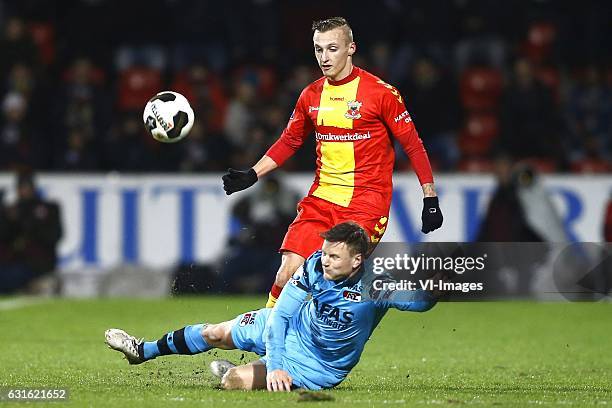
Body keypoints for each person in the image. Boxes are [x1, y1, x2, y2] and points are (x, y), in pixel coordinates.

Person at [221, 17, 443, 308]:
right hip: (322, 198)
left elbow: (413, 145)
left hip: (366, 203)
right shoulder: (310, 95)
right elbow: (290, 140)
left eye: (332, 49)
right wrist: (253, 173)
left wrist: (430, 197)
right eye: (318, 49)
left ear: (351, 48)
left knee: (334, 275)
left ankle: (386, 293)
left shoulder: (381, 94)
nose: (324, 58)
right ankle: (268, 345)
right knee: (287, 273)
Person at [105, 222, 438, 391]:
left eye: (334, 256)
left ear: (357, 260)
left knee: (233, 381)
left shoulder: (376, 285)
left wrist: (435, 285)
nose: (325, 260)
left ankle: (251, 373)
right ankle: (142, 350)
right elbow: (280, 316)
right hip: (292, 329)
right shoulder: (313, 266)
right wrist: (277, 363)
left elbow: (419, 303)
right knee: (215, 333)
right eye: (324, 251)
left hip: (316, 366)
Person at [0, 170, 62, 294]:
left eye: (27, 187)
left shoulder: (48, 209)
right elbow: (5, 236)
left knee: (9, 277)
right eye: (21, 187)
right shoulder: (12, 210)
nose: (24, 190)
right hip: (13, 262)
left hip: (37, 263)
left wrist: (26, 221)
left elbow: (54, 236)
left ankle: (36, 283)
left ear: (33, 188)